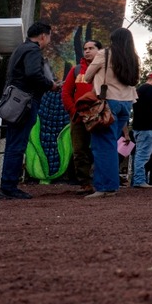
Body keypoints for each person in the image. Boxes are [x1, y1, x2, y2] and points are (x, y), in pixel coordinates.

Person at [0, 22, 58, 200]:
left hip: (13, 103)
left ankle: (7, 185)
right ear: (43, 36)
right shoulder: (33, 50)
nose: (48, 40)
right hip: (25, 103)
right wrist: (51, 85)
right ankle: (8, 188)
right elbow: (33, 74)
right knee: (18, 146)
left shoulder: (20, 49)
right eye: (48, 36)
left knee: (12, 144)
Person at [82, 27, 139, 198]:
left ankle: (105, 187)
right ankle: (110, 185)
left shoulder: (104, 54)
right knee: (110, 145)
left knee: (102, 146)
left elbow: (87, 76)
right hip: (126, 103)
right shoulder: (133, 57)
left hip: (108, 103)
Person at [61, 39, 99, 194]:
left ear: (99, 51)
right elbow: (66, 92)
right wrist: (73, 111)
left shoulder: (105, 70)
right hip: (78, 117)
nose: (87, 51)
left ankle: (101, 181)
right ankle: (85, 184)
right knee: (79, 150)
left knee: (99, 148)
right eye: (85, 48)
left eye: (91, 48)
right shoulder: (76, 70)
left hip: (99, 116)